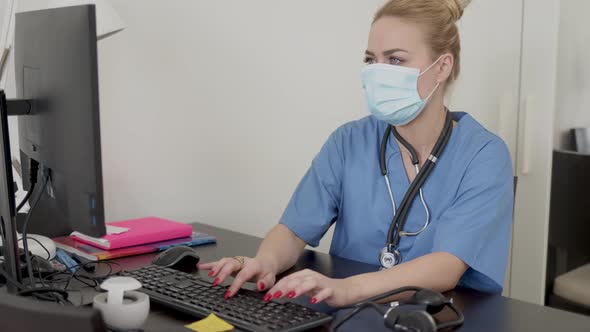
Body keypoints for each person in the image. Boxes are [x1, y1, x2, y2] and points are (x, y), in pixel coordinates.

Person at [199, 0, 514, 308]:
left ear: (442, 66)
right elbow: (294, 230)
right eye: (370, 60)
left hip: (442, 315)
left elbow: (446, 266)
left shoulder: (483, 155)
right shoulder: (349, 141)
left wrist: (348, 290)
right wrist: (265, 261)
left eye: (395, 60)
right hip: (351, 313)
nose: (377, 72)